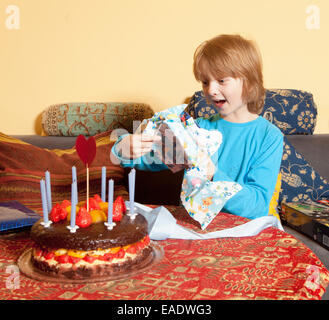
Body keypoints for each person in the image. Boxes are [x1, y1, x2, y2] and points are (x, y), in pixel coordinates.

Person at [111, 34, 283, 219]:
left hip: (244, 231)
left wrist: (214, 175)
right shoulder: (197, 129)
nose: (210, 90)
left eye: (221, 80)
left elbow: (256, 206)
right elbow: (147, 157)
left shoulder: (269, 136)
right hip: (194, 230)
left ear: (248, 82)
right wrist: (125, 147)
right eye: (205, 82)